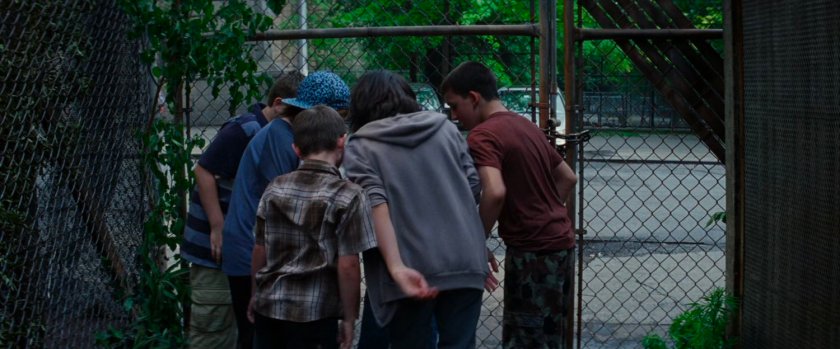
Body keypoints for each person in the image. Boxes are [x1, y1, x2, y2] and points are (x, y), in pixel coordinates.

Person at [343, 70, 489, 349]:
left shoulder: (361, 145)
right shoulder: (445, 128)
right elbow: (473, 184)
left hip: (408, 268)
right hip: (464, 260)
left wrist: (396, 266)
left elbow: (375, 204)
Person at [440, 61, 578, 349]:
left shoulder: (484, 135)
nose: (453, 116)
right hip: (561, 247)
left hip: (532, 254)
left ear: (474, 98)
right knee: (550, 338)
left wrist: (476, 241)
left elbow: (495, 191)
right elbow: (567, 177)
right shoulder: (524, 125)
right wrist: (543, 211)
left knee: (525, 339)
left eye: (454, 106)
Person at [222, 71, 351, 349]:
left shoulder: (291, 134)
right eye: (338, 115)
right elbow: (294, 210)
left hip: (267, 253)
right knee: (255, 336)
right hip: (253, 254)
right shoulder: (282, 138)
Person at [181, 71, 303, 349]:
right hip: (213, 249)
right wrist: (217, 225)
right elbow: (203, 170)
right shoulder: (245, 129)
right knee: (213, 329)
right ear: (280, 103)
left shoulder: (276, 136)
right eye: (298, 113)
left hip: (240, 250)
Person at [246, 105, 377, 349]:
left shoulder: (275, 187)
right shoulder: (349, 195)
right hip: (316, 314)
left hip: (270, 307)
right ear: (342, 141)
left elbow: (260, 250)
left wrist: (255, 293)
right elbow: (348, 264)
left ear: (296, 148)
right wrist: (349, 318)